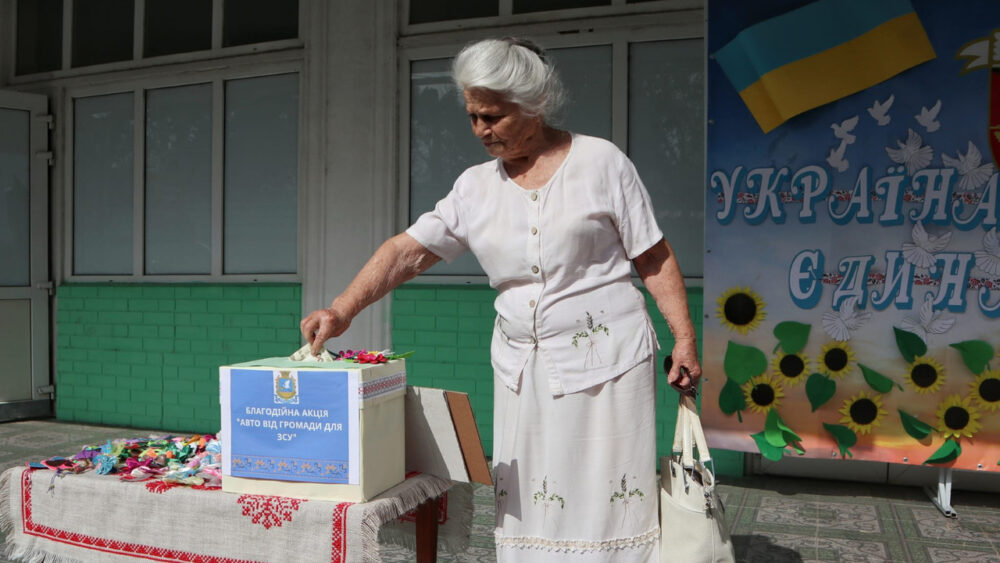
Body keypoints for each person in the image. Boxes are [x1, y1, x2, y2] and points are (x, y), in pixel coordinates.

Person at [300, 37, 701, 562]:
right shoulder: (474, 187)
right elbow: (407, 252)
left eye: (493, 116)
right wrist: (343, 307)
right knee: (531, 496)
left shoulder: (602, 163)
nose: (481, 130)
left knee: (607, 494)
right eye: (472, 117)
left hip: (610, 365)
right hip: (524, 367)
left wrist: (685, 337)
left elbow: (651, 254)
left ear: (534, 105)